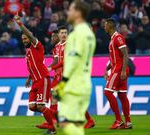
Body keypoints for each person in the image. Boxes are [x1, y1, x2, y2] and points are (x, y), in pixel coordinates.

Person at [54, 1, 96, 135]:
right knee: (77, 124)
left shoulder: (76, 35)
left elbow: (73, 60)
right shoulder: (89, 33)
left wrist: (63, 83)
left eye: (70, 10)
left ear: (78, 13)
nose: (68, 12)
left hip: (74, 84)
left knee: (65, 122)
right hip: (85, 82)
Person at [13, 14, 56, 134]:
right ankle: (52, 115)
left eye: (25, 38)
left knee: (41, 106)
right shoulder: (27, 52)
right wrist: (28, 79)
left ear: (30, 38)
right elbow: (32, 67)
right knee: (32, 106)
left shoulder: (37, 46)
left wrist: (20, 23)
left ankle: (51, 128)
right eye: (22, 39)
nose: (24, 41)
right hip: (35, 81)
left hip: (43, 79)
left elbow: (30, 35)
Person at [104, 18, 132, 129]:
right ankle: (128, 122)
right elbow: (114, 58)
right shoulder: (112, 39)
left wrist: (123, 70)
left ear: (110, 26)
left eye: (105, 25)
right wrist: (107, 68)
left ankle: (118, 120)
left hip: (119, 69)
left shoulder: (118, 37)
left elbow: (125, 54)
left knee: (107, 92)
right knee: (122, 95)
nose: (104, 27)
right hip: (117, 67)